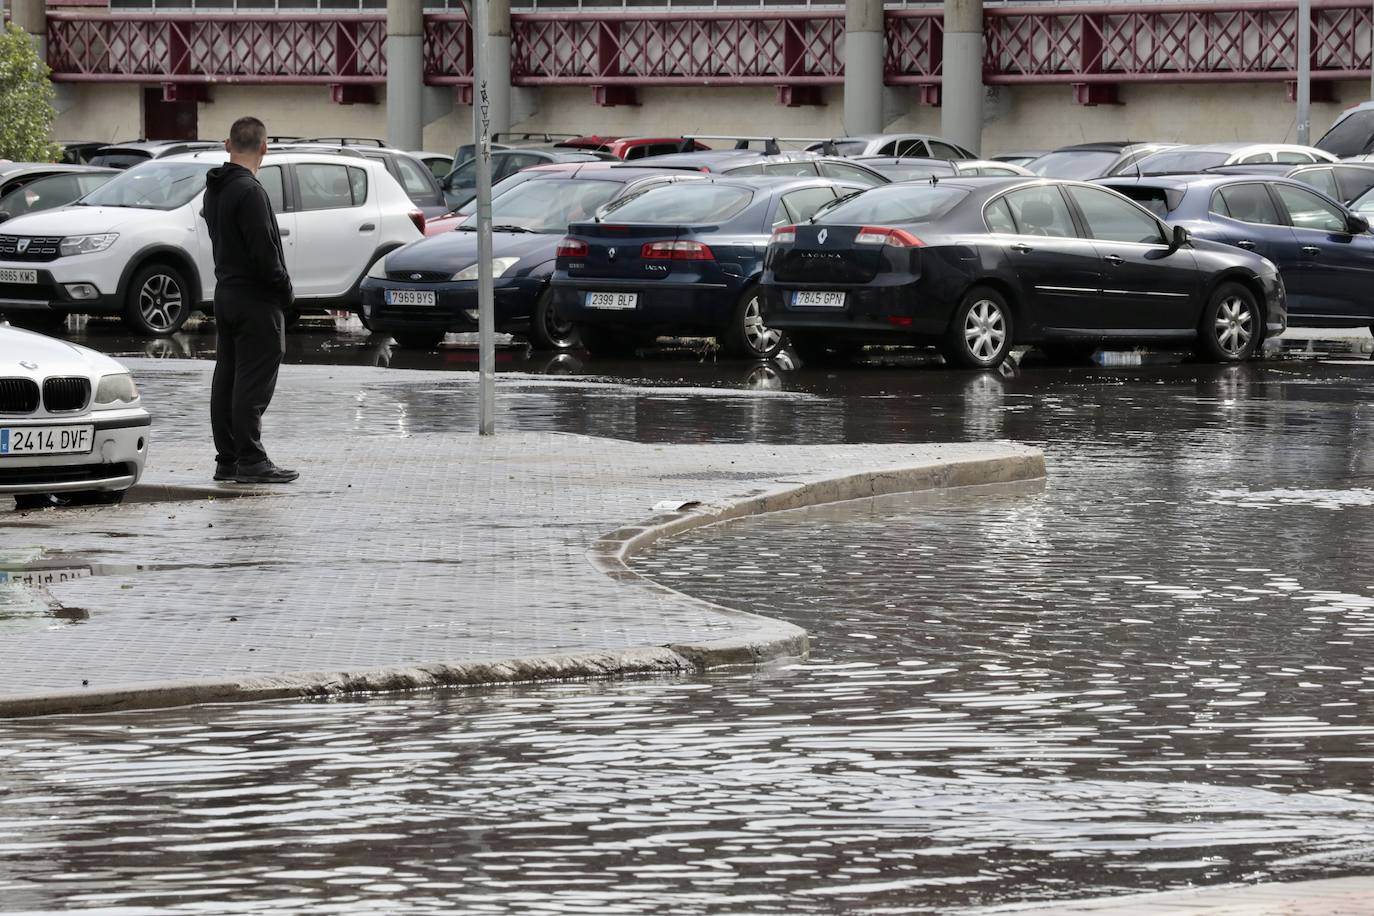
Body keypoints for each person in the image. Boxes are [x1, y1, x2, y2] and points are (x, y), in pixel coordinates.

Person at [203, 116, 298, 484]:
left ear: (228, 144)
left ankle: (228, 458)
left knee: (227, 375)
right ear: (264, 147)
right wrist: (285, 290)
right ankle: (251, 459)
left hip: (225, 292)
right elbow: (265, 253)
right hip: (255, 298)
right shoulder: (251, 192)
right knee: (252, 379)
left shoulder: (216, 189)